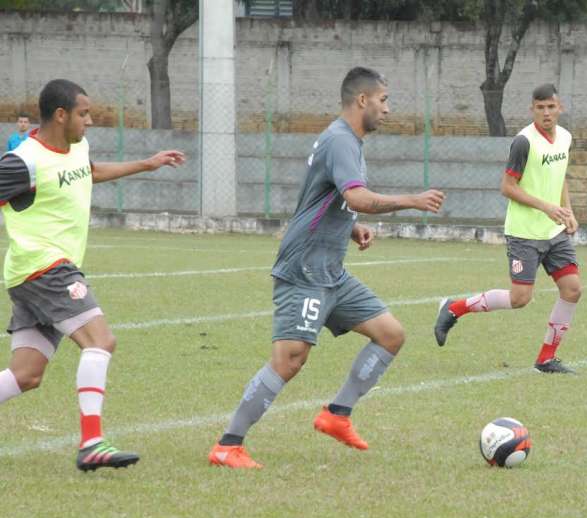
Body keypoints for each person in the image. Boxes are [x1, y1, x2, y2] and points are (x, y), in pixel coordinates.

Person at [207, 66, 445, 469]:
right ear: (362, 100)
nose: (388, 109)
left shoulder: (346, 141)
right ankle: (228, 445)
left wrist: (352, 229)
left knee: (389, 335)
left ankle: (337, 414)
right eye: (384, 100)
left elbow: (327, 199)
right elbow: (355, 196)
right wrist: (412, 199)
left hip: (330, 269)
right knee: (290, 359)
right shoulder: (340, 141)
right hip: (304, 269)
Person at [0, 79, 185, 471]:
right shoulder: (25, 160)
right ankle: (91, 443)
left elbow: (90, 172)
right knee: (101, 340)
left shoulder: (77, 148)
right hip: (44, 268)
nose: (90, 120)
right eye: (83, 113)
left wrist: (146, 163)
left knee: (26, 375)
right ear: (61, 115)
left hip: (33, 274)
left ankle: (91, 442)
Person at [433, 83, 581, 375]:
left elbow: (559, 176)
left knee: (573, 289)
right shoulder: (523, 142)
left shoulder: (565, 137)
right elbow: (507, 187)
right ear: (532, 110)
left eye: (551, 107)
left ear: (559, 107)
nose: (546, 113)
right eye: (540, 108)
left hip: (553, 232)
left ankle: (546, 359)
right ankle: (454, 308)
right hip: (524, 232)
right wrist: (546, 207)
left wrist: (568, 211)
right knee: (520, 299)